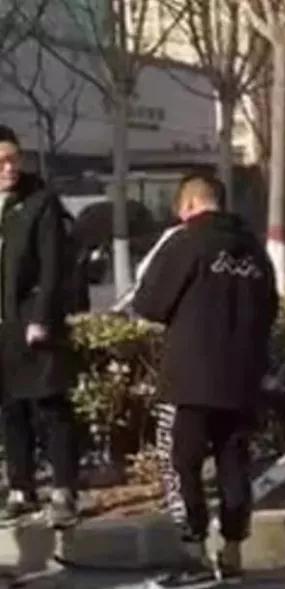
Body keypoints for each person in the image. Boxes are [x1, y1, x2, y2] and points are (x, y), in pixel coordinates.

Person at [132, 173, 278, 583]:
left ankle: (194, 554)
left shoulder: (185, 242)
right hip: (243, 379)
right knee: (235, 465)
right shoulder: (255, 250)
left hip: (189, 380)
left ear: (189, 205)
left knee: (181, 465)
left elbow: (149, 303)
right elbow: (271, 309)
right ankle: (232, 552)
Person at [0, 125, 81, 529]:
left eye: (14, 159)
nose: (9, 168)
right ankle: (21, 487)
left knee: (49, 405)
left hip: (32, 319)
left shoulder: (40, 201)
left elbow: (53, 266)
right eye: (1, 162)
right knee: (10, 407)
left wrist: (42, 317)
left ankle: (64, 490)